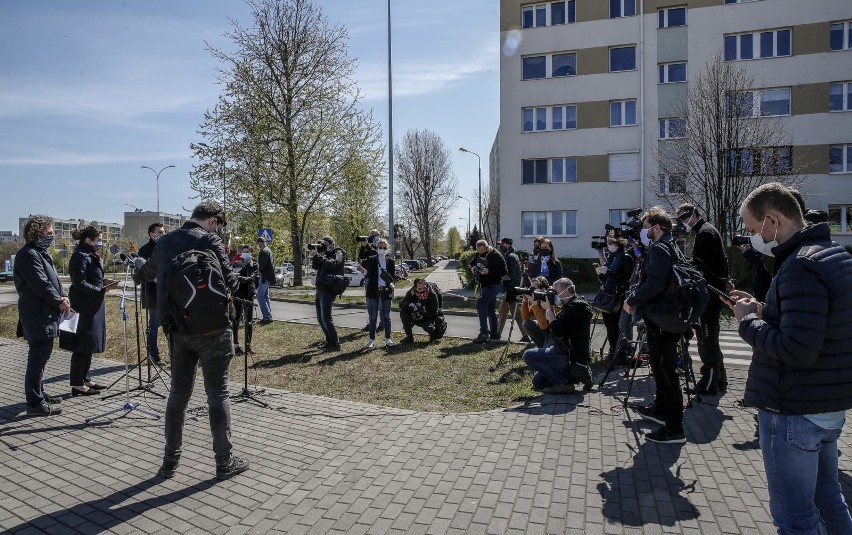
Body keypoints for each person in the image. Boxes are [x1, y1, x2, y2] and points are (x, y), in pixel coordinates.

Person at [730, 183, 852, 534]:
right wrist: (763, 309)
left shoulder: (800, 265)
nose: (752, 237)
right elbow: (814, 322)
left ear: (772, 221)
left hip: (795, 409)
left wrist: (747, 322)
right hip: (826, 406)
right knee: (830, 499)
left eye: (753, 230)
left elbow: (797, 347)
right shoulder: (831, 253)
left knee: (795, 518)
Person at [135, 201, 249, 480]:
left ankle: (169, 462)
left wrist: (138, 269)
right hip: (214, 329)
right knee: (218, 393)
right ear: (212, 221)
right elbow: (231, 283)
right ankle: (224, 461)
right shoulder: (211, 240)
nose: (220, 231)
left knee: (178, 394)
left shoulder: (164, 242)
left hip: (177, 329)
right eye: (219, 226)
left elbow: (146, 273)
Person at [624, 207, 686, 444]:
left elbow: (655, 284)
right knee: (661, 370)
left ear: (657, 227)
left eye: (646, 226)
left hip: (662, 318)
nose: (644, 231)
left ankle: (674, 429)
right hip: (665, 317)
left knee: (667, 372)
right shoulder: (671, 246)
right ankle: (661, 410)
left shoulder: (660, 249)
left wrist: (632, 299)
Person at [14, 215, 67, 416]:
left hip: (45, 313)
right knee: (37, 359)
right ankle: (35, 403)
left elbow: (52, 282)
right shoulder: (28, 255)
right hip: (37, 315)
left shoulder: (41, 253)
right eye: (50, 233)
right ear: (37, 232)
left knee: (42, 358)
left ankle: (40, 393)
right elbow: (41, 284)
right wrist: (58, 301)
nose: (52, 236)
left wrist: (63, 296)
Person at [676, 204, 729, 395]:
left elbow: (701, 267)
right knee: (710, 338)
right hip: (713, 292)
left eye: (685, 217)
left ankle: (709, 382)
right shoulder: (707, 231)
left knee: (707, 340)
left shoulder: (705, 233)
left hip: (709, 294)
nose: (684, 222)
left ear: (695, 213)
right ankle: (720, 379)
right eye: (680, 219)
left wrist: (683, 266)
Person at [59, 226, 111, 396]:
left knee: (90, 344)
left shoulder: (90, 253)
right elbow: (79, 282)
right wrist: (99, 290)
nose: (100, 242)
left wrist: (103, 282)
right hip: (83, 306)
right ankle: (76, 383)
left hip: (93, 305)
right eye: (98, 239)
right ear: (87, 239)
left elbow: (93, 277)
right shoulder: (80, 256)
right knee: (81, 345)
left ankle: (86, 378)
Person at [522, 278, 593, 394]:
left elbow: (557, 331)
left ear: (565, 292)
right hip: (564, 352)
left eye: (554, 292)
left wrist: (549, 310)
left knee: (528, 355)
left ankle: (563, 383)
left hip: (570, 356)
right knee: (538, 382)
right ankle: (577, 376)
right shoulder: (571, 305)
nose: (552, 295)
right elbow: (552, 327)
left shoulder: (577, 307)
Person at [595, 233, 634, 363]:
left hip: (618, 295)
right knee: (608, 325)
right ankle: (613, 351)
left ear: (618, 243)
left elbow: (625, 278)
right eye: (608, 243)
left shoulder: (625, 257)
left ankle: (620, 353)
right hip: (608, 293)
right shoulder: (611, 257)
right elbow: (606, 279)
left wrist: (609, 272)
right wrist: (601, 273)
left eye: (611, 243)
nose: (609, 246)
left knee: (615, 325)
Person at [310, 236, 346, 352]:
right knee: (320, 318)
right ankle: (329, 341)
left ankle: (335, 343)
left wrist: (318, 256)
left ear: (331, 244)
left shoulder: (339, 253)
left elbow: (333, 264)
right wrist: (315, 256)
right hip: (320, 288)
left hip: (328, 289)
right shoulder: (324, 255)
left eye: (324, 244)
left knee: (326, 318)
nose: (323, 246)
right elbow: (316, 266)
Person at [138, 222, 166, 365]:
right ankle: (153, 356)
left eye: (163, 231)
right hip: (152, 294)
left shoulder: (166, 247)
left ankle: (175, 355)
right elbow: (145, 272)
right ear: (152, 234)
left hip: (167, 293)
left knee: (168, 325)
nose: (163, 234)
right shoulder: (145, 250)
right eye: (160, 232)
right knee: (154, 325)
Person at [469, 239, 508, 343]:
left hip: (495, 285)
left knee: (480, 304)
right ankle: (494, 335)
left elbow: (504, 271)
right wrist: (473, 268)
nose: (481, 253)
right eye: (479, 251)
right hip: (485, 285)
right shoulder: (478, 253)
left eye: (483, 250)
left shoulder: (496, 255)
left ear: (487, 247)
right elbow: (472, 263)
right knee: (490, 310)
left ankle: (484, 333)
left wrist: (489, 271)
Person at [362, 238, 396, 348]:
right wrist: (363, 271)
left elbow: (392, 277)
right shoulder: (371, 259)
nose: (381, 249)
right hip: (373, 291)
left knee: (386, 316)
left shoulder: (390, 261)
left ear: (387, 249)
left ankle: (388, 339)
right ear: (377, 248)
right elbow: (369, 275)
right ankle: (371, 340)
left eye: (384, 247)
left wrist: (391, 284)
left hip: (386, 291)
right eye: (379, 247)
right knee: (373, 316)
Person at [496, 237, 528, 341]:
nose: (500, 246)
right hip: (509, 289)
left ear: (508, 245)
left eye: (502, 244)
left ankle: (526, 335)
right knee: (502, 311)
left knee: (517, 314)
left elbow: (511, 275)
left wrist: (497, 276)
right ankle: (497, 334)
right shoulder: (510, 256)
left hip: (511, 289)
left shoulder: (511, 257)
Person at [399, 278, 445, 344]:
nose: (422, 291)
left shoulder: (432, 294)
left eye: (424, 288)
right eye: (419, 289)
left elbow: (434, 313)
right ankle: (409, 337)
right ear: (415, 288)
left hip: (429, 317)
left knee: (431, 328)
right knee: (403, 313)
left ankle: (434, 337)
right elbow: (402, 304)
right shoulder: (411, 292)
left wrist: (423, 312)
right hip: (415, 315)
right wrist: (410, 305)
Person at [231, 245, 258, 356]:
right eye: (244, 251)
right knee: (236, 319)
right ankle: (236, 346)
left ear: (251, 253)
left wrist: (240, 278)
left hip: (248, 295)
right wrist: (242, 267)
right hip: (238, 294)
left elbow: (251, 278)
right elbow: (233, 275)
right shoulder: (238, 263)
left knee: (249, 321)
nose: (246, 253)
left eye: (248, 252)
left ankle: (248, 345)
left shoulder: (254, 265)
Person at [519, 276, 551, 348]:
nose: (531, 291)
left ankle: (546, 348)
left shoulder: (549, 299)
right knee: (526, 324)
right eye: (530, 288)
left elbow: (544, 326)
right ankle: (542, 346)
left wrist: (535, 304)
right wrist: (525, 301)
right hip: (545, 332)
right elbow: (525, 317)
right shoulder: (536, 300)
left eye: (533, 288)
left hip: (553, 333)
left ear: (543, 289)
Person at [255, 237, 274, 325]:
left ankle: (267, 317)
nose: (258, 246)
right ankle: (268, 316)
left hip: (265, 276)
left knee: (260, 296)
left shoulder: (264, 251)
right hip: (268, 276)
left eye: (258, 243)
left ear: (260, 243)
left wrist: (256, 268)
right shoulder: (268, 250)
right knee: (265, 296)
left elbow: (263, 264)